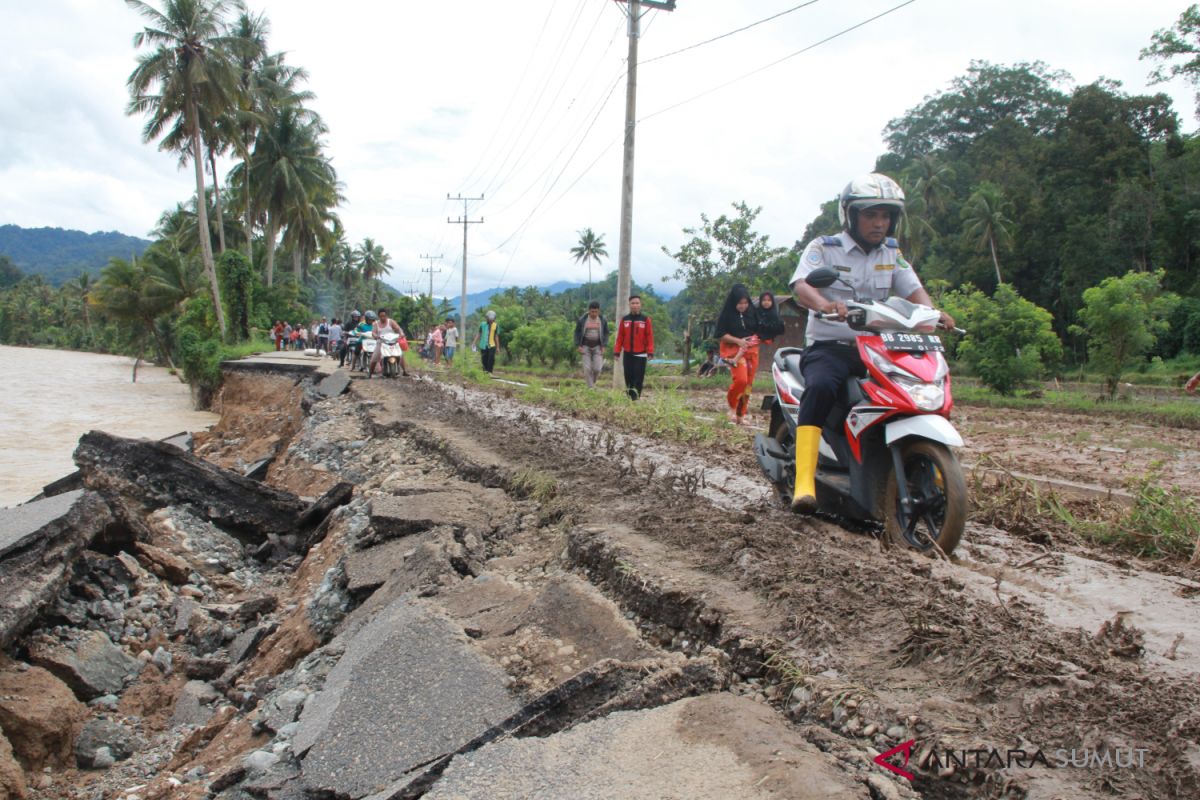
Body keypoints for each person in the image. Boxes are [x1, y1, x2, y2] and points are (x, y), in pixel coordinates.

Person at [788, 172, 955, 514]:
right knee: (820, 387)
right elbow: (801, 285)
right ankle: (804, 482)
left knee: (918, 387)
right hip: (832, 346)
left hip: (880, 347)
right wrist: (824, 305)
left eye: (886, 216)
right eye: (870, 215)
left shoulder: (892, 253)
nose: (879, 223)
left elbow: (913, 289)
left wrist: (935, 312)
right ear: (850, 215)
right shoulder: (824, 248)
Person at [715, 284, 760, 425]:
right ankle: (732, 408)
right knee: (741, 380)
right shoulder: (726, 315)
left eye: (745, 303)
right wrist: (738, 341)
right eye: (740, 303)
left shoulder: (752, 313)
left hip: (751, 352)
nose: (743, 306)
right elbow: (720, 335)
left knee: (748, 384)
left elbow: (759, 329)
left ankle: (741, 415)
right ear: (734, 302)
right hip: (733, 351)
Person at [614, 295, 654, 400]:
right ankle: (629, 399)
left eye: (637, 303)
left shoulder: (645, 320)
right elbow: (620, 337)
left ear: (640, 305)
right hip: (628, 354)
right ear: (629, 305)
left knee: (638, 378)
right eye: (633, 303)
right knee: (628, 377)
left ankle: (636, 399)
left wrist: (650, 351)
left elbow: (649, 336)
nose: (635, 305)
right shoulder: (625, 320)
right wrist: (617, 352)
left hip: (641, 354)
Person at [574, 300, 609, 388]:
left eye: (596, 312)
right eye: (592, 311)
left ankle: (591, 383)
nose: (594, 314)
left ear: (599, 311)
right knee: (587, 368)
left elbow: (606, 333)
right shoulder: (582, 320)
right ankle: (591, 388)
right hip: (585, 345)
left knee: (597, 368)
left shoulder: (602, 320)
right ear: (589, 311)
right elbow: (577, 332)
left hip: (597, 346)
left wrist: (604, 345)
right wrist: (578, 345)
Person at [370, 308, 408, 377]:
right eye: (381, 316)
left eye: (384, 316)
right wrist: (376, 336)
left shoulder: (391, 322)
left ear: (386, 315)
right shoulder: (376, 324)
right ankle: (370, 373)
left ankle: (405, 371)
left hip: (393, 342)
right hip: (381, 343)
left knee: (401, 355)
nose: (383, 317)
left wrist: (401, 333)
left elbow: (398, 328)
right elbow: (373, 332)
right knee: (374, 357)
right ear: (379, 316)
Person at [474, 310, 501, 374]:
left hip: (492, 345)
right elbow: (479, 334)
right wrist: (474, 342)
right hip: (483, 345)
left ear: (494, 319)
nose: (491, 320)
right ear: (487, 318)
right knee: (484, 359)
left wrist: (498, 347)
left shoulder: (496, 325)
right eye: (490, 319)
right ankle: (485, 372)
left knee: (491, 359)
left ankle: (490, 372)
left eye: (492, 319)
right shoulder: (482, 324)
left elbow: (496, 336)